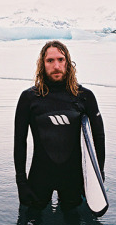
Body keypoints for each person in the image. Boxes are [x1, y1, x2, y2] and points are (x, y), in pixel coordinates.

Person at [14, 40, 105, 210]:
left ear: (68, 63)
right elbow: (20, 141)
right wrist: (21, 182)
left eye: (61, 59)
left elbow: (99, 137)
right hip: (39, 179)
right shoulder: (29, 98)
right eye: (50, 60)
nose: (56, 65)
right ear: (42, 64)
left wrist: (98, 178)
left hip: (74, 180)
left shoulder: (84, 97)